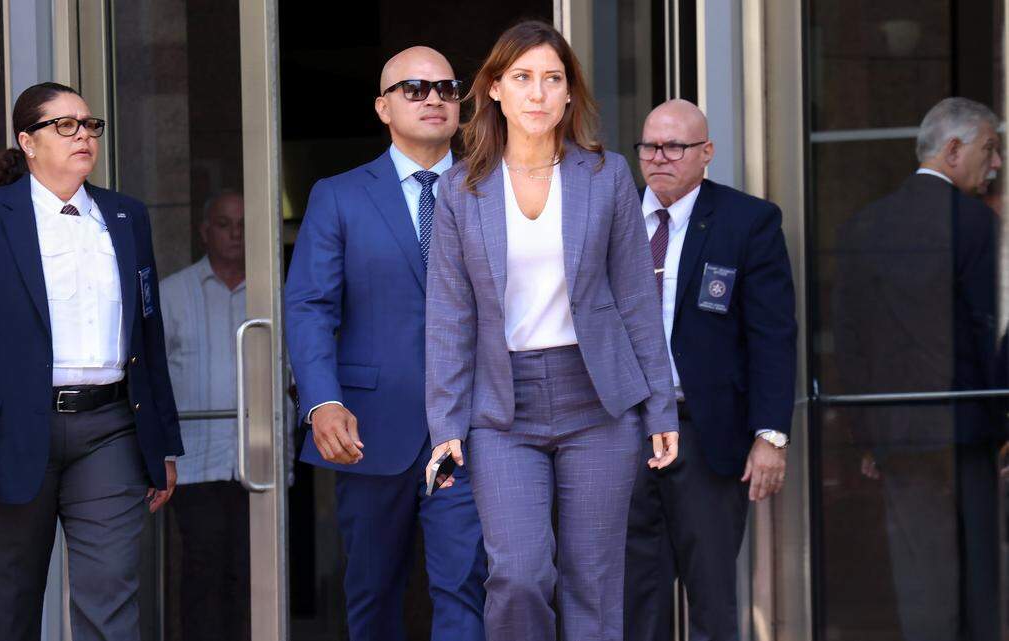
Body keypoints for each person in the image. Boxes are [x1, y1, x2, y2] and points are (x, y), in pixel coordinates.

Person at [425, 21, 679, 641]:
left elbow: (636, 300)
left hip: (598, 401)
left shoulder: (606, 175)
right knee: (519, 575)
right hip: (501, 408)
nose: (537, 93)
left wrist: (660, 406)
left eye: (552, 79)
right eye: (522, 78)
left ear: (569, 93)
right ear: (494, 89)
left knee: (593, 582)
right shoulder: (461, 188)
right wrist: (446, 426)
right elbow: (450, 316)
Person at [0, 81, 183, 641]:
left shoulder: (126, 215)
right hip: (6, 434)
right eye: (64, 125)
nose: (82, 135)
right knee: (6, 610)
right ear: (27, 141)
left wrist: (160, 442)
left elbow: (148, 332)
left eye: (89, 125)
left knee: (111, 601)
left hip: (111, 428)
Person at [284, 47, 487, 641]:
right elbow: (310, 306)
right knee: (372, 596)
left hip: (473, 425)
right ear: (382, 107)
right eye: (415, 88)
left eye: (447, 88)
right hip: (370, 428)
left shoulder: (492, 189)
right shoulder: (339, 194)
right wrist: (322, 401)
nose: (434, 99)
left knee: (465, 589)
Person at [622, 99, 797, 641]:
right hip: (623, 430)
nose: (659, 157)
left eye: (675, 147)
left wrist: (770, 435)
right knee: (633, 598)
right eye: (649, 146)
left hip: (705, 431)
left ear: (707, 152)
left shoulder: (747, 221)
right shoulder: (612, 217)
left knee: (712, 596)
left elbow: (772, 335)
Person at [832, 96, 1003, 641]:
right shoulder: (977, 224)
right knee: (979, 570)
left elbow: (850, 343)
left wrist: (867, 435)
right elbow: (991, 333)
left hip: (899, 431)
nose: (996, 164)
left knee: (919, 572)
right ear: (952, 150)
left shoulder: (864, 225)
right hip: (969, 427)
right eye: (989, 149)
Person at [160, 191, 248, 641]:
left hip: (258, 463)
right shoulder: (173, 293)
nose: (235, 234)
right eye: (225, 224)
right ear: (204, 231)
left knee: (252, 576)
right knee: (204, 573)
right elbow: (152, 379)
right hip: (195, 463)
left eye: (244, 225)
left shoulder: (276, 293)